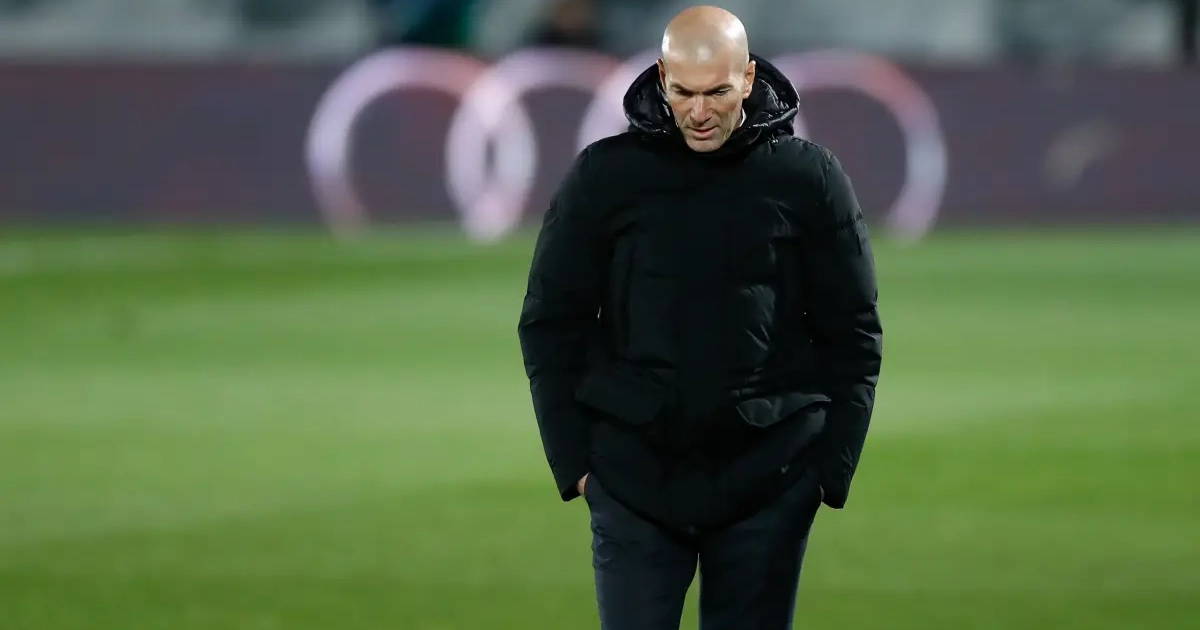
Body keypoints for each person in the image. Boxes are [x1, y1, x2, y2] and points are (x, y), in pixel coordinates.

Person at [516, 5, 883, 629]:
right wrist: (574, 462)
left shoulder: (809, 177)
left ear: (748, 78)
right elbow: (551, 321)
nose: (699, 112)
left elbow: (853, 329)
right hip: (632, 480)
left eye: (717, 92)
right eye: (684, 92)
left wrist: (829, 471)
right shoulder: (605, 176)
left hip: (770, 481)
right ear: (662, 78)